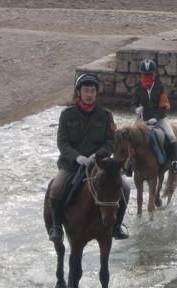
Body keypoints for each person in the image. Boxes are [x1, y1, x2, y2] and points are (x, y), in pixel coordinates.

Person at [47, 72, 130, 242]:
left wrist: (97, 155)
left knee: (125, 187)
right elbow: (62, 143)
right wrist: (77, 157)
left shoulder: (106, 115)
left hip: (99, 163)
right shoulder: (67, 115)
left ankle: (117, 225)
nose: (89, 94)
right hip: (72, 164)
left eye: (92, 91)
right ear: (79, 92)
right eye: (86, 91)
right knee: (56, 187)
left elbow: (110, 142)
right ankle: (56, 227)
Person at [131, 58, 177, 174]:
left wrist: (156, 117)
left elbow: (163, 105)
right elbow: (133, 104)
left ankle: (175, 162)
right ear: (142, 74)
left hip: (159, 118)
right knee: (130, 135)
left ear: (154, 74)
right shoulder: (138, 87)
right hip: (142, 118)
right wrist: (135, 109)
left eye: (149, 74)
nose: (147, 76)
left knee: (171, 136)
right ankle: (128, 166)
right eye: (145, 74)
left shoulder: (159, 86)